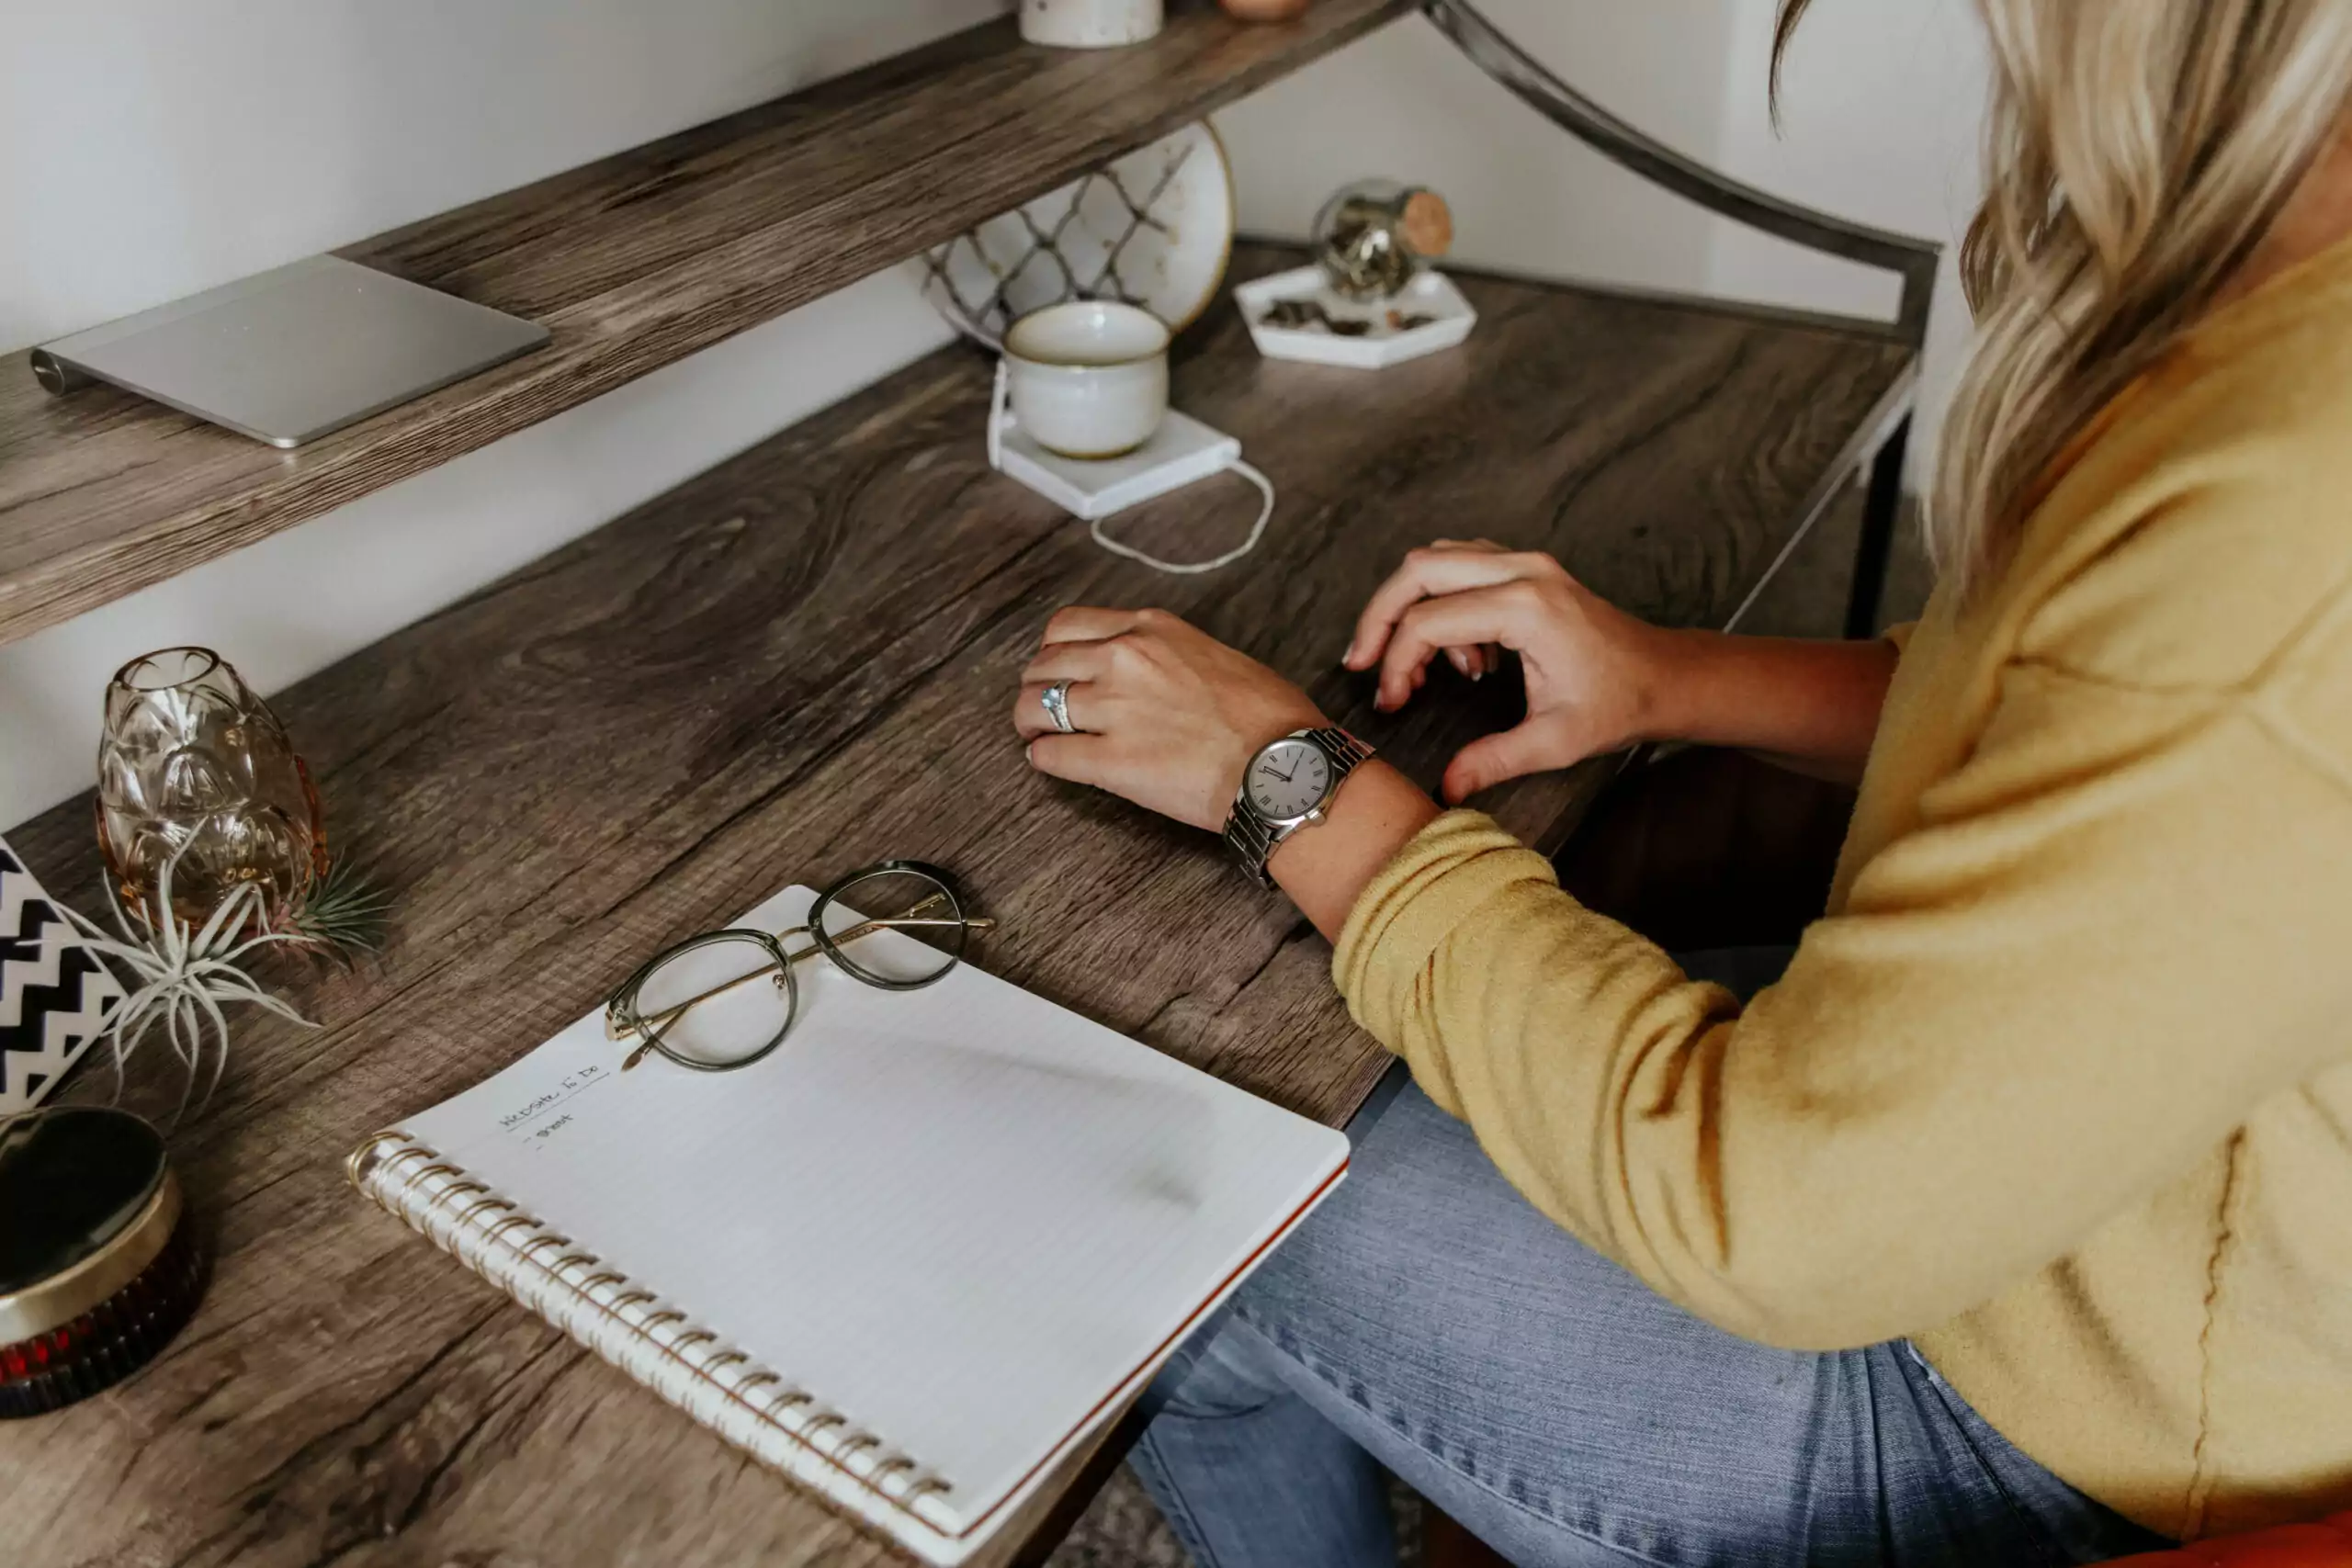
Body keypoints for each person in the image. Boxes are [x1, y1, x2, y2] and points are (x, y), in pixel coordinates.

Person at [1008, 2, 2352, 1563]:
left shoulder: (2298, 504)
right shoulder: (2286, 327)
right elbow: (2079, 725)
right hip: (2070, 1204)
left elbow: (1782, 1209)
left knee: (1181, 1182)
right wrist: (1666, 678)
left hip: (2026, 1431)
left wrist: (1290, 775)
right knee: (1327, 1074)